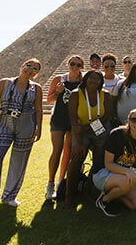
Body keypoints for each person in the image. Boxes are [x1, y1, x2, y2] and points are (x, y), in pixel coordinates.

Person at [0, 59, 43, 219]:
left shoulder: (36, 88)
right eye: (28, 66)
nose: (30, 70)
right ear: (22, 66)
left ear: (36, 74)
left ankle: (10, 196)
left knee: (19, 163)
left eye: (35, 69)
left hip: (26, 124)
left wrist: (38, 128)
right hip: (4, 124)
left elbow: (38, 109)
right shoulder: (5, 83)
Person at [66, 69, 115, 208]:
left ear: (101, 82)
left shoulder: (105, 95)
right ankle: (70, 194)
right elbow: (73, 120)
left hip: (99, 129)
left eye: (97, 79)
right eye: (91, 78)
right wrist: (79, 143)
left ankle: (87, 189)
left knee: (98, 161)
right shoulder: (76, 94)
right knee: (76, 159)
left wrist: (87, 127)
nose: (94, 81)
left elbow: (106, 117)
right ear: (85, 79)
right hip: (79, 131)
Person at [94, 109, 136, 216]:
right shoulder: (117, 134)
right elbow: (108, 164)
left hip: (126, 177)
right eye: (133, 120)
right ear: (128, 121)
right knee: (128, 181)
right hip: (103, 173)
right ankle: (104, 200)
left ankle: (115, 194)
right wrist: (128, 172)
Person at [45, 55, 83, 199]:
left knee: (68, 152)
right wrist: (57, 92)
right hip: (59, 118)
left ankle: (62, 183)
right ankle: (50, 183)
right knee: (56, 150)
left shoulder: (83, 81)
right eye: (72, 63)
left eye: (78, 65)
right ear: (68, 64)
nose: (75, 67)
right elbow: (49, 99)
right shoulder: (58, 79)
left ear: (81, 67)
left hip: (73, 120)